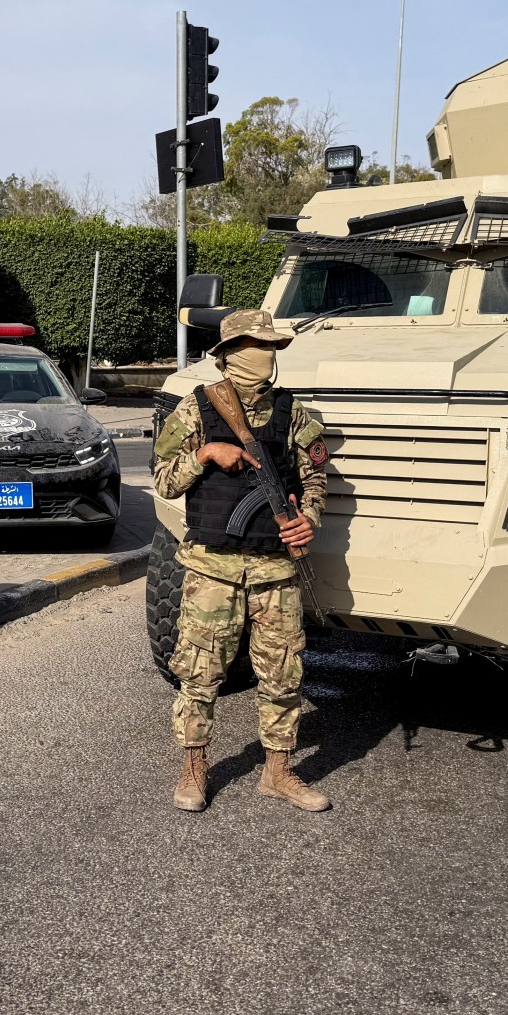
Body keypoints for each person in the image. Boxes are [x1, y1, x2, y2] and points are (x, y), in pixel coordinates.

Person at [151, 308, 331, 814]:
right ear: (229, 354)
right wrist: (205, 454)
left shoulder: (293, 413)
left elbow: (316, 479)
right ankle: (194, 767)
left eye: (271, 346)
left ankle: (278, 772)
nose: (265, 355)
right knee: (199, 672)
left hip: (275, 568)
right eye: (256, 345)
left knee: (283, 673)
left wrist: (308, 519)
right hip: (213, 568)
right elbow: (163, 481)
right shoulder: (195, 409)